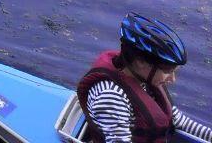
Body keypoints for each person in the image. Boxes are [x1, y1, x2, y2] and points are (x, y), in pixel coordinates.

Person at [77, 13, 212, 143]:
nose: (172, 79)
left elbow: (178, 121)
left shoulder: (146, 79)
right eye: (167, 71)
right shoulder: (111, 96)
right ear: (140, 61)